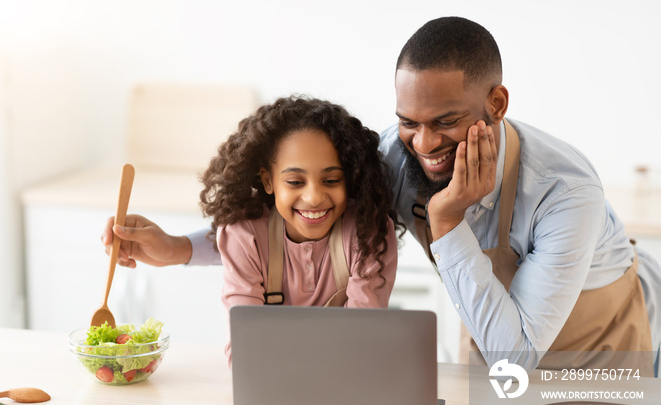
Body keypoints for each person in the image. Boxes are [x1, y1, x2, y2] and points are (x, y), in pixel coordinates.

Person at [102, 17, 661, 375]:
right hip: (497, 340)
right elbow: (290, 220)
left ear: (497, 101)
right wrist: (177, 246)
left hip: (603, 345)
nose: (424, 143)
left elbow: (516, 355)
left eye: (446, 121)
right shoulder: (397, 159)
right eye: (408, 122)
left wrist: (445, 223)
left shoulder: (566, 194)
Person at [106, 95, 401, 365]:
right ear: (268, 181)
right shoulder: (245, 235)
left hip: (344, 381)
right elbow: (244, 349)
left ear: (349, 179)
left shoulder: (368, 232)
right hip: (272, 386)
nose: (313, 197)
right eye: (295, 182)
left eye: (331, 180)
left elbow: (363, 340)